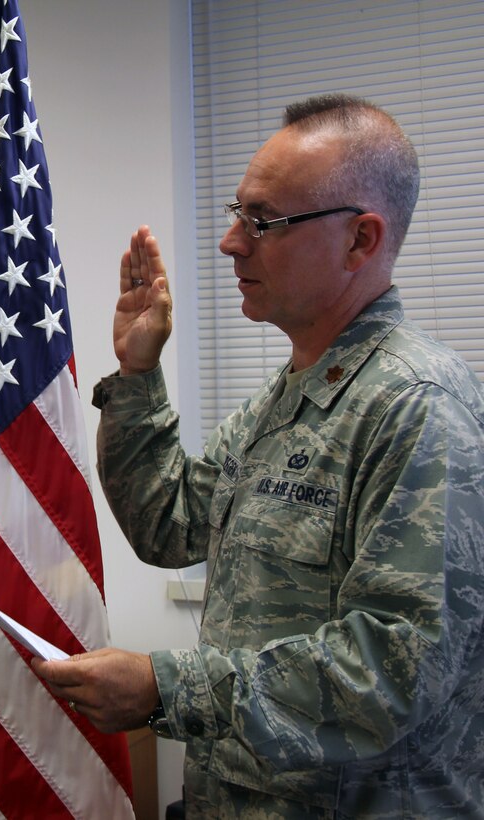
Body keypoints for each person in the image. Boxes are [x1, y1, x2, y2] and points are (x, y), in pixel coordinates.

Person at [32, 94, 484, 817]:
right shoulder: (290, 395)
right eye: (235, 213)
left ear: (360, 241)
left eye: (263, 221)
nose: (232, 242)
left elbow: (392, 675)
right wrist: (140, 378)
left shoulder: (417, 406)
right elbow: (169, 524)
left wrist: (165, 687)